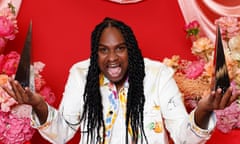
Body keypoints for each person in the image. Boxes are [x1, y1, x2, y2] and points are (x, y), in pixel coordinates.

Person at [3, 17, 240, 144]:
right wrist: (38, 105)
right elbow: (62, 133)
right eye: (103, 50)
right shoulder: (81, 74)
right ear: (95, 53)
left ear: (132, 51)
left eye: (120, 49)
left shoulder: (158, 75)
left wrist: (204, 109)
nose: (112, 58)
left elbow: (182, 136)